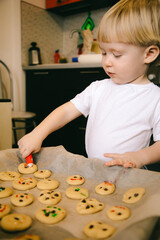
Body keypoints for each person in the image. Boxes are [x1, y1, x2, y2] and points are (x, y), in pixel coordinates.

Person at [18, 0, 160, 169]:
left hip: (130, 177)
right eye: (104, 53)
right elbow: (65, 112)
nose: (107, 62)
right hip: (95, 171)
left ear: (149, 54)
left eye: (116, 54)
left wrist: (140, 157)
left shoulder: (155, 98)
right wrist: (37, 133)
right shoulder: (97, 88)